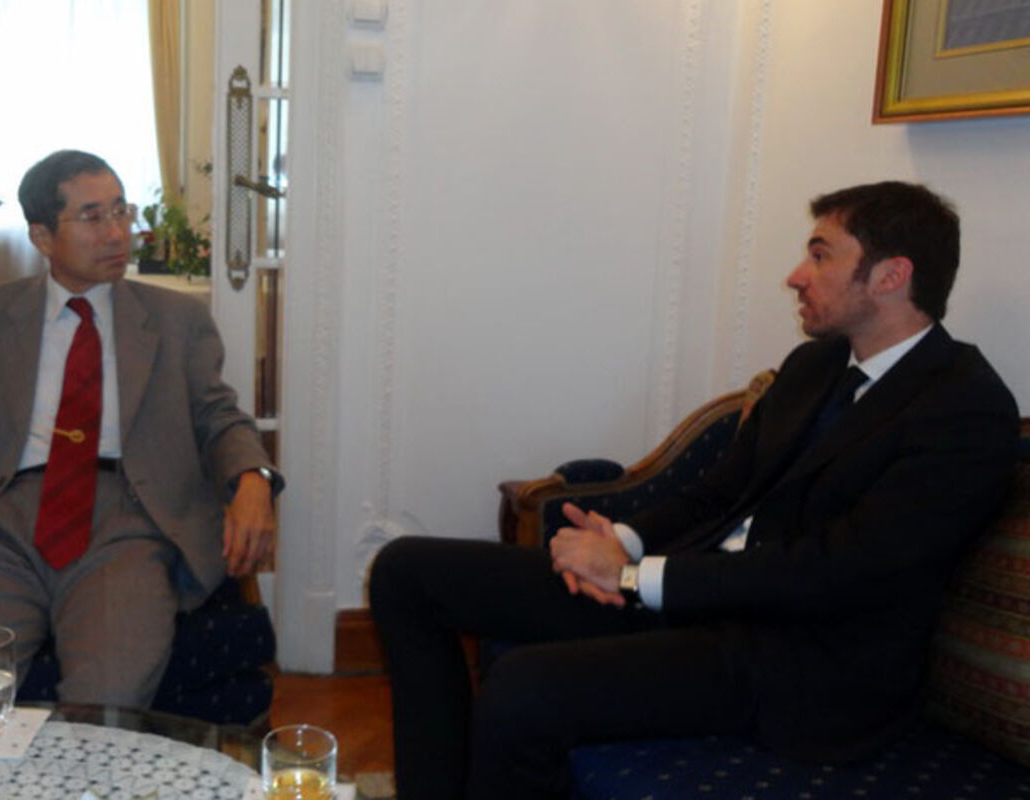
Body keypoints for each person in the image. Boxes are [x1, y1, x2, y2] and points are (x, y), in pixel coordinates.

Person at [369, 181, 1019, 800]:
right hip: (696, 597)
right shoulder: (816, 364)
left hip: (801, 661)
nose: (796, 275)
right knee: (408, 573)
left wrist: (635, 578)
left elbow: (838, 572)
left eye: (821, 255)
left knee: (524, 688)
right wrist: (621, 541)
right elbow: (717, 494)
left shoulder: (962, 409)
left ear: (891, 275)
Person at [0, 150, 282, 711]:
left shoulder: (178, 320)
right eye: (93, 217)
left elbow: (219, 416)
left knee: (110, 696)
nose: (117, 232)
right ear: (42, 236)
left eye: (121, 211)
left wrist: (253, 477)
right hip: (0, 523)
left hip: (130, 522)